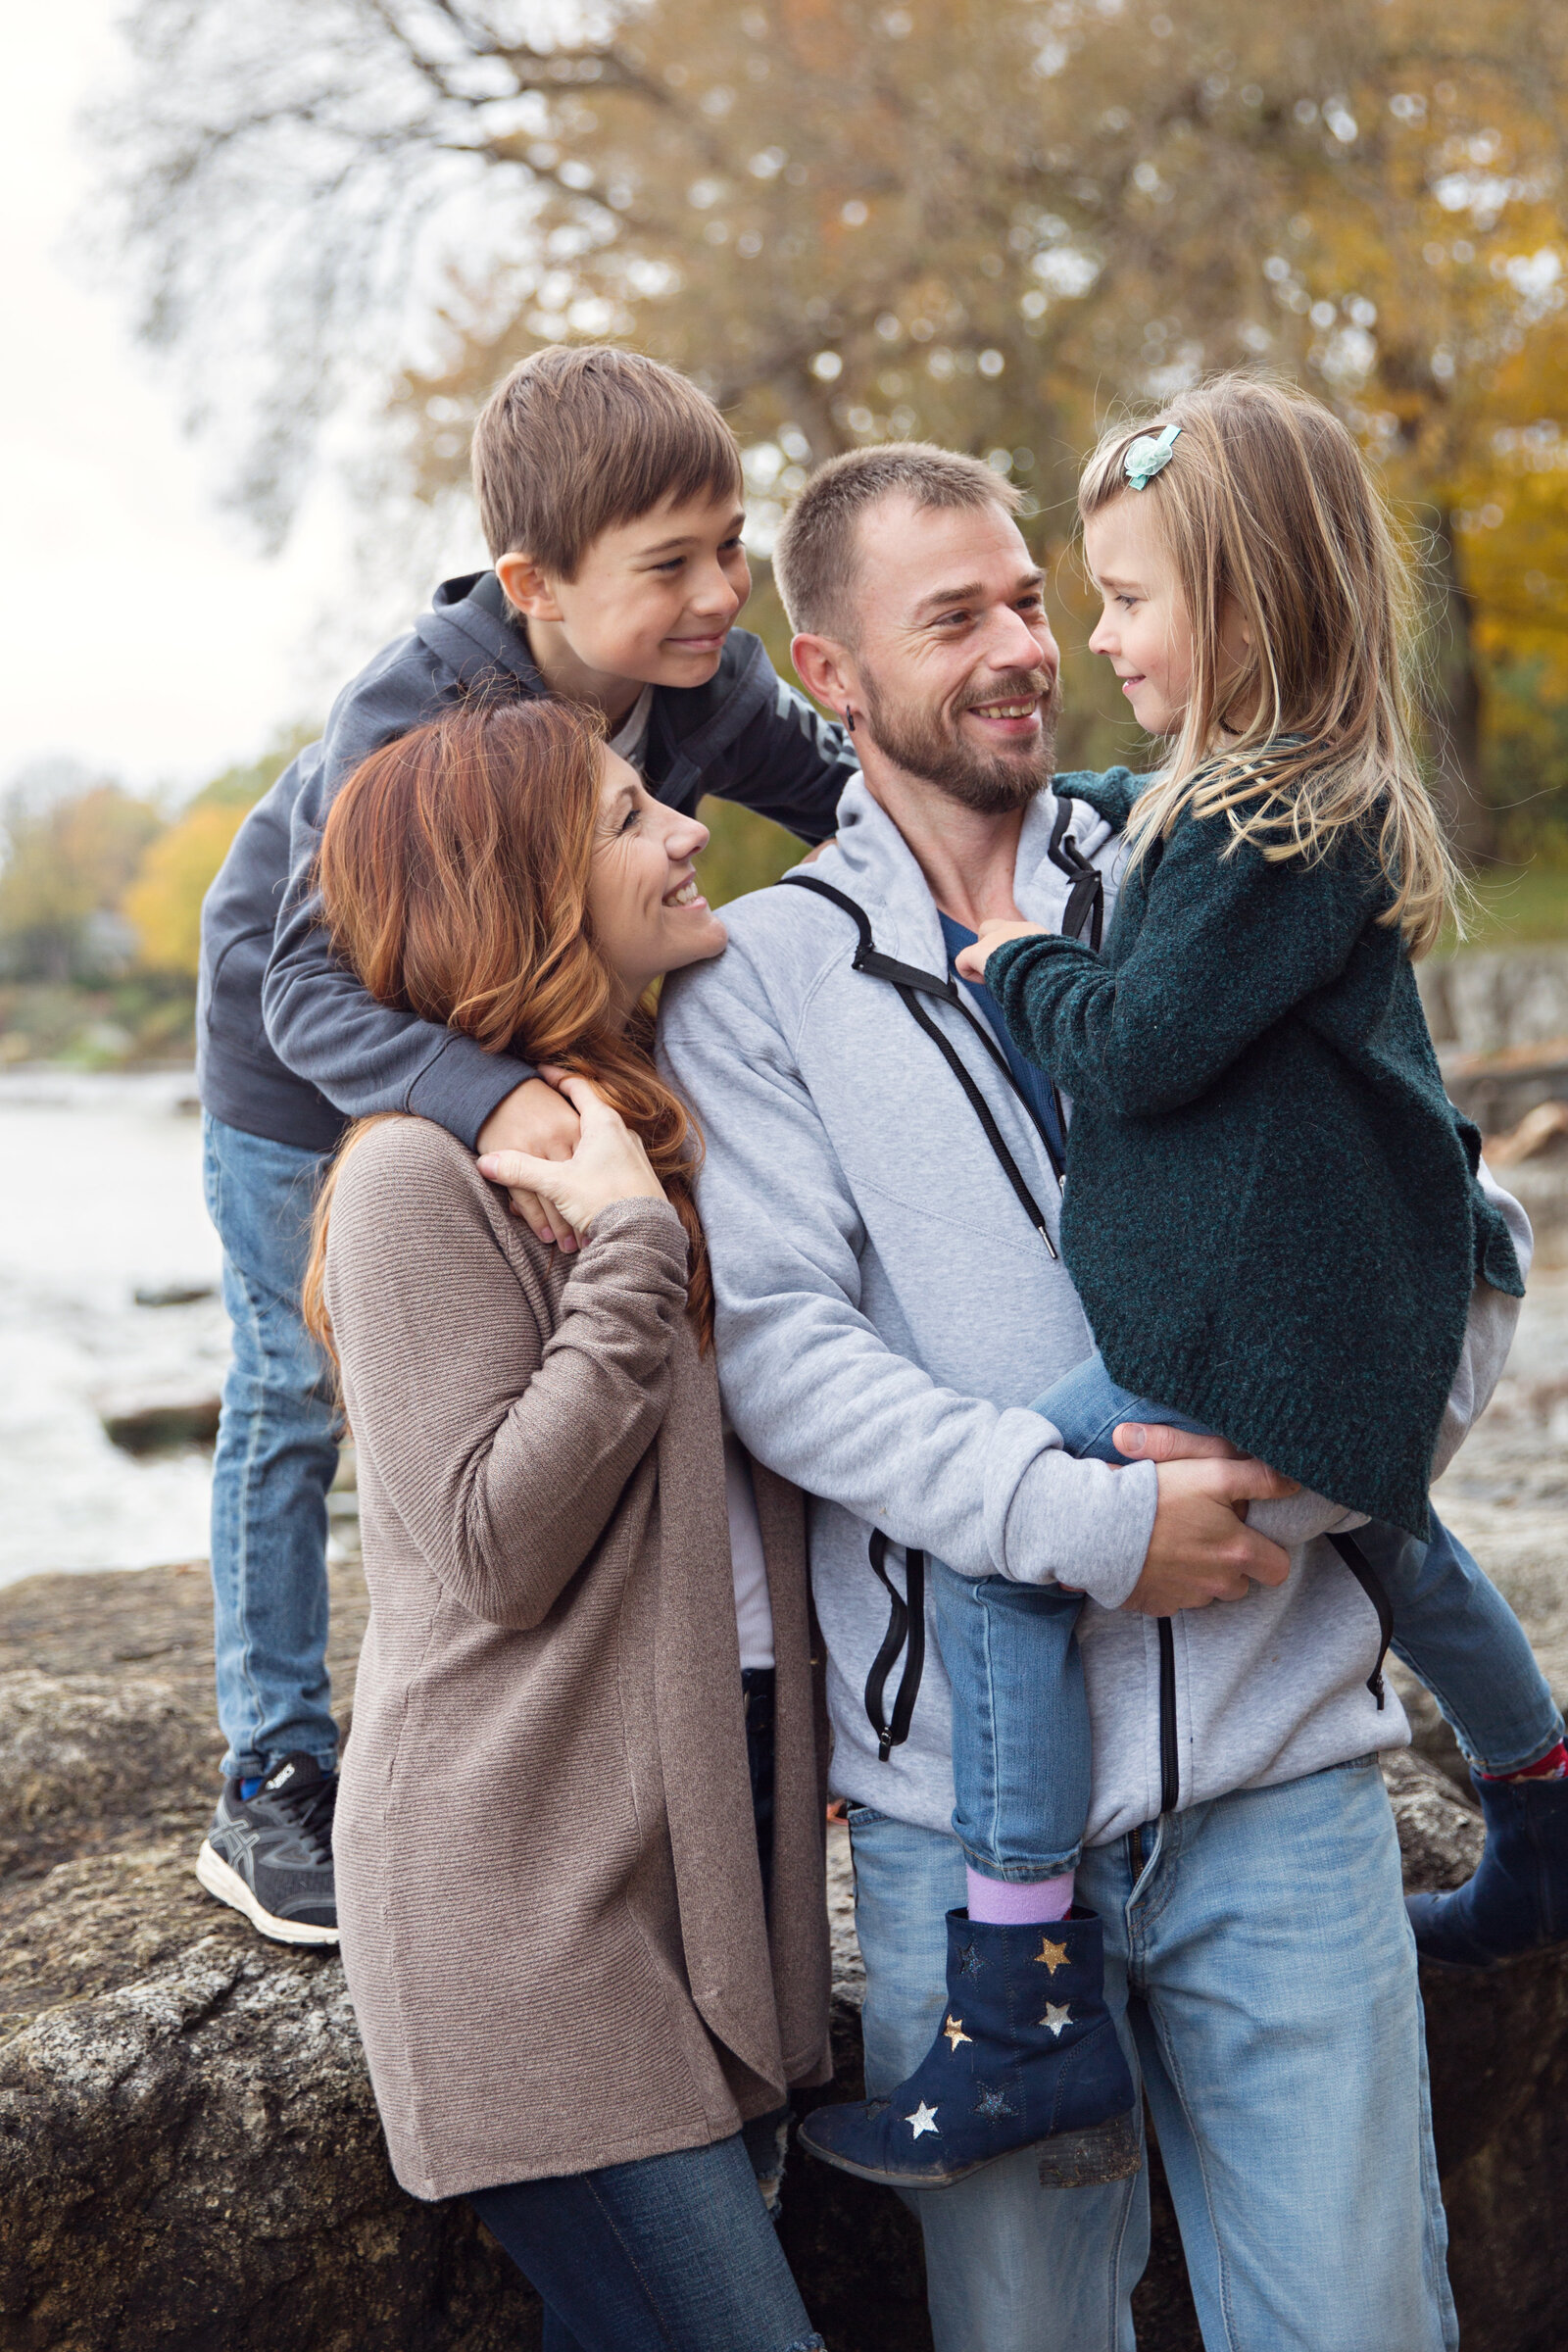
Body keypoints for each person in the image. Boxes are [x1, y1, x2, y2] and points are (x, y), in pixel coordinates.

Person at [659, 439, 1532, 2349]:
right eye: (951, 617)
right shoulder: (757, 981)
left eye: (1036, 600)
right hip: (964, 1844)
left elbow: (1441, 1222)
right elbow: (782, 1354)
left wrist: (1291, 1488)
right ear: (829, 675)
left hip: (1280, 1774)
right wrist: (1089, 1525)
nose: (1021, 648)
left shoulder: (1222, 857)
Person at [194, 344, 856, 1945]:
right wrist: (494, 1102)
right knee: (296, 1394)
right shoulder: (412, 706)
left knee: (595, 1357)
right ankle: (274, 1773)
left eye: (731, 545)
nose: (719, 595)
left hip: (537, 1032)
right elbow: (304, 979)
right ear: (534, 582)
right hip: (307, 1059)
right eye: (671, 566)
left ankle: (646, 1705)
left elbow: (847, 805)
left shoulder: (707, 673)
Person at [299, 693, 831, 2352]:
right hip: (521, 1910)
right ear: (516, 894)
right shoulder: (412, 1179)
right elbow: (492, 1545)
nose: (687, 832)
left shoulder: (646, 1123)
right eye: (627, 820)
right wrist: (626, 1263)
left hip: (695, 1869)